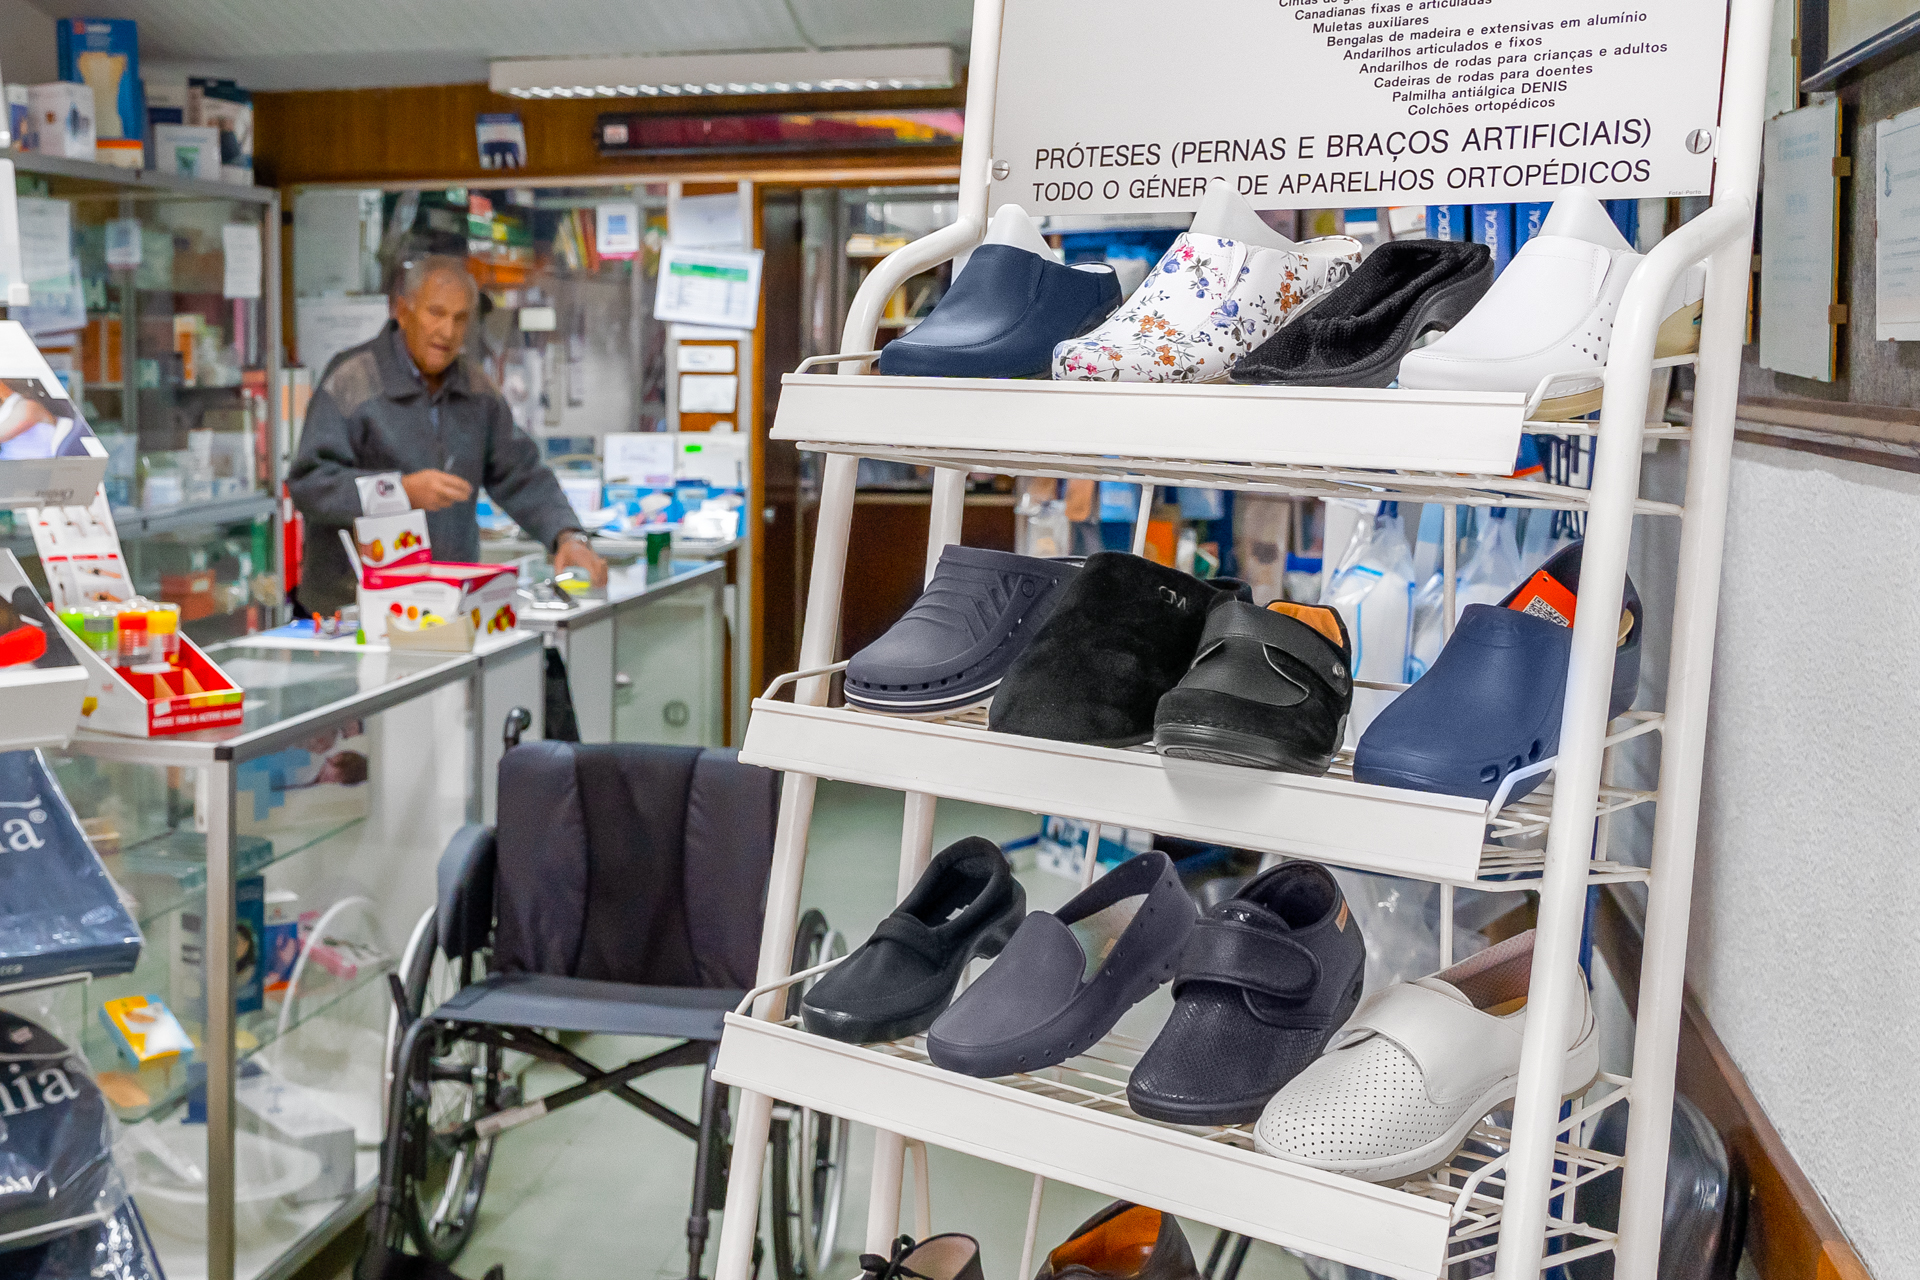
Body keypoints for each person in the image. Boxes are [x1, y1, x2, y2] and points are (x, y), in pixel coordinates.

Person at [288, 254, 606, 615]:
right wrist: (400, 491)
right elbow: (310, 484)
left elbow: (521, 474)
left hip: (447, 606)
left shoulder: (476, 389)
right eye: (436, 313)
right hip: (352, 611)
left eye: (460, 318)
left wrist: (567, 535)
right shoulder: (353, 379)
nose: (447, 331)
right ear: (403, 311)